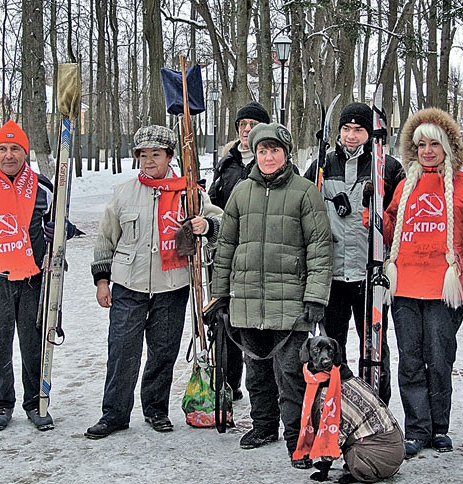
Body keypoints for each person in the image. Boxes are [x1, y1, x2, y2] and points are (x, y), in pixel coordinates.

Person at [85, 125, 222, 439]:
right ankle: (114, 414)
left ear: (169, 156)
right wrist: (102, 280)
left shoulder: (190, 193)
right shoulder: (123, 193)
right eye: (143, 155)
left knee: (163, 352)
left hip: (171, 287)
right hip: (128, 286)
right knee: (122, 352)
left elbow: (222, 221)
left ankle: (156, 409)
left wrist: (206, 225)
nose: (148, 161)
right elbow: (106, 239)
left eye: (155, 154)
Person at [211, 123, 333, 467]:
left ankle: (299, 439)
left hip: (291, 303)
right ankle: (264, 425)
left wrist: (316, 297)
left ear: (286, 154)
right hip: (248, 301)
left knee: (291, 375)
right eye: (262, 150)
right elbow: (226, 247)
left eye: (274, 150)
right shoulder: (241, 192)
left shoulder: (305, 192)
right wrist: (220, 295)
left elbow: (320, 249)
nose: (268, 156)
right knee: (256, 373)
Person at [0, 120, 73, 431]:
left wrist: (63, 231)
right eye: (3, 149)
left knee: (35, 343)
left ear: (25, 152)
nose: (9, 155)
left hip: (35, 277)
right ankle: (1, 404)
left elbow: (60, 224)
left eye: (15, 148)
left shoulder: (44, 187)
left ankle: (36, 402)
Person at [372, 108, 463, 458]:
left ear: (448, 146)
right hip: (405, 288)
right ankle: (417, 428)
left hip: (443, 288)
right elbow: (389, 231)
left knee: (439, 359)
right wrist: (371, 217)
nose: (427, 151)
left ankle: (439, 427)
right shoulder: (405, 185)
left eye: (434, 143)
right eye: (420, 145)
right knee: (411, 361)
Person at [304, 102, 404, 405]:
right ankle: (337, 405)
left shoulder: (388, 166)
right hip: (332, 274)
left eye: (358, 129)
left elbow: (399, 218)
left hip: (369, 274)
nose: (351, 135)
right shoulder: (323, 164)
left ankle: (377, 405)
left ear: (369, 133)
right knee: (332, 346)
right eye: (346, 129)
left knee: (373, 347)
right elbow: (305, 206)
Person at [208, 100, 271, 401]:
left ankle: (264, 388)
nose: (247, 130)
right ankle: (227, 383)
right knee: (226, 321)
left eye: (253, 125)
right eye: (243, 125)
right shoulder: (226, 163)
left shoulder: (270, 161)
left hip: (261, 256)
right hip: (228, 252)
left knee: (257, 324)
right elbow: (213, 203)